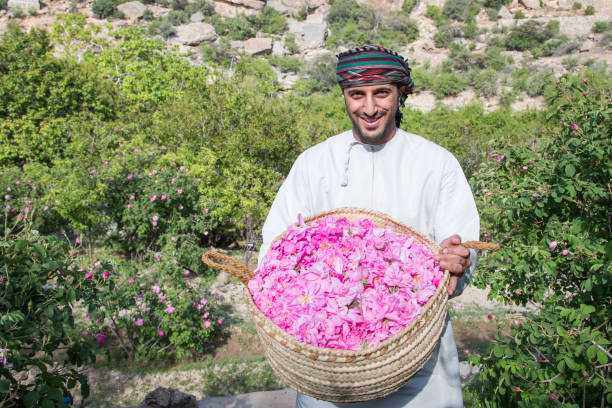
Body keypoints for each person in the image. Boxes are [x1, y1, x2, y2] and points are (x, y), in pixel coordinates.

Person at [257, 45, 479, 408]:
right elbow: (275, 249)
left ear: (401, 94)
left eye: (382, 94)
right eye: (357, 95)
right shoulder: (314, 163)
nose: (370, 107)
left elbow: (462, 245)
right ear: (344, 95)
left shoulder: (436, 163)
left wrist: (460, 259)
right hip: (330, 369)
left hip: (417, 364)